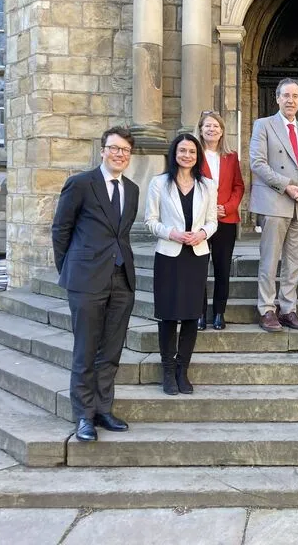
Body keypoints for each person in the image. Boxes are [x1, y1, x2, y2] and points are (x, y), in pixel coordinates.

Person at [51, 126, 139, 442]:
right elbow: (60, 230)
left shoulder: (132, 189)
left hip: (121, 279)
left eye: (125, 150)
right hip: (86, 279)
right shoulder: (80, 184)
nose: (119, 154)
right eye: (114, 148)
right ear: (103, 151)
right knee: (85, 351)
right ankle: (84, 416)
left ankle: (103, 409)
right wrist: (70, 269)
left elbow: (120, 234)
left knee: (111, 350)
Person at [145, 134, 218, 395]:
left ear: (198, 156)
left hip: (196, 255)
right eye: (182, 150)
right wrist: (172, 233)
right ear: (174, 153)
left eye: (192, 152)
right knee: (168, 314)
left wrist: (203, 234)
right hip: (169, 255)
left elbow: (213, 221)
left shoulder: (207, 185)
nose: (187, 155)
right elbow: (150, 221)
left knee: (190, 315)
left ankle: (181, 370)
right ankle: (167, 370)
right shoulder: (158, 183)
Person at [249, 77, 298, 332]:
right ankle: (267, 309)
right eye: (286, 95)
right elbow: (257, 163)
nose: (291, 100)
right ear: (277, 98)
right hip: (274, 201)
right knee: (270, 260)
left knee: (294, 262)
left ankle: (288, 309)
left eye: (296, 96)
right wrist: (288, 186)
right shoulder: (263, 125)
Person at [195, 110, 245, 331]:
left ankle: (218, 313)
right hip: (200, 221)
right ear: (200, 129)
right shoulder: (193, 154)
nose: (212, 129)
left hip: (226, 219)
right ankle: (199, 313)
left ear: (222, 131)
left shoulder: (231, 157)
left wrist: (228, 207)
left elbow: (238, 186)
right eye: (207, 125)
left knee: (222, 269)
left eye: (216, 126)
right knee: (199, 268)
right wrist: (207, 210)